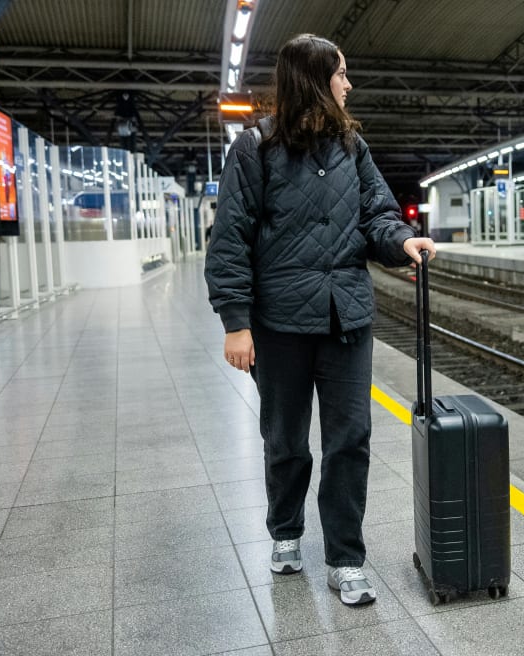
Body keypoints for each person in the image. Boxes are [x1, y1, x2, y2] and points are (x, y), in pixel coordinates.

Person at [204, 33, 436, 606]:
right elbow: (229, 239)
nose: (348, 84)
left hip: (346, 319)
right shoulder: (254, 149)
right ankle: (285, 532)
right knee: (285, 440)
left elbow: (378, 214)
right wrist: (236, 322)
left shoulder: (352, 147)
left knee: (350, 440)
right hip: (279, 323)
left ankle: (345, 558)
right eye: (341, 74)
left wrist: (402, 240)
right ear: (314, 79)